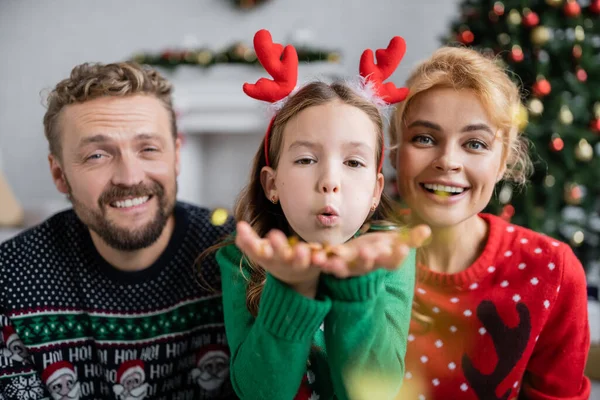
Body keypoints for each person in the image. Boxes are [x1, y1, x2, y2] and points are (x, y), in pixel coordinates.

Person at [213, 29, 431, 400]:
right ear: (272, 184)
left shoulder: (389, 256)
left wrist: (354, 289)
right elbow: (260, 393)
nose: (330, 181)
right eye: (306, 159)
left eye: (353, 162)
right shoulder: (242, 259)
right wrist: (291, 288)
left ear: (376, 191)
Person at [0, 62, 237, 399]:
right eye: (97, 155)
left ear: (176, 156)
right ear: (59, 174)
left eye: (149, 149)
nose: (129, 177)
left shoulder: (237, 257)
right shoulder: (10, 279)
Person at [389, 46, 591, 399]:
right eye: (424, 138)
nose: (448, 161)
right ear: (395, 150)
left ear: (503, 162)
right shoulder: (354, 254)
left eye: (475, 144)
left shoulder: (553, 271)